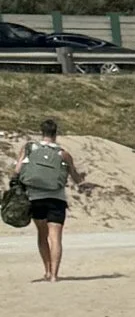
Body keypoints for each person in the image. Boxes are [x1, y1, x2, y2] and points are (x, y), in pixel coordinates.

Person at [14, 120, 81, 282]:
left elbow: (17, 170)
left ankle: (47, 270)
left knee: (42, 235)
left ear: (41, 132)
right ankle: (54, 275)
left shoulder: (30, 148)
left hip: (36, 199)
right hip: (56, 199)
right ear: (55, 133)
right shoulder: (63, 154)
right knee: (55, 237)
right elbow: (76, 178)